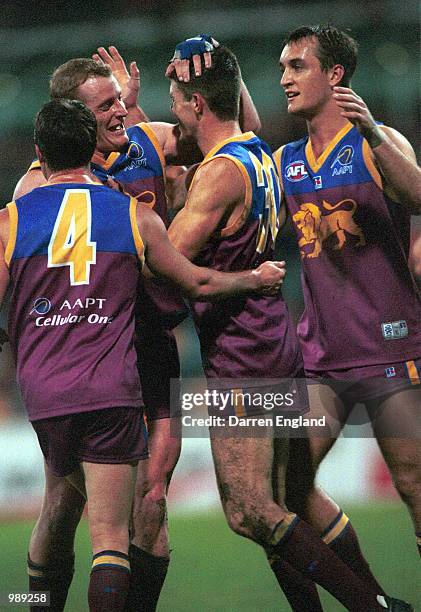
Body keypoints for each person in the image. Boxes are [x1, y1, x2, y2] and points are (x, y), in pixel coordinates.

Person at [0, 97, 286, 611]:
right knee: (110, 538)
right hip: (112, 389)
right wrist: (255, 279)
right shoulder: (134, 215)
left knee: (55, 514)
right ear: (92, 149)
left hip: (45, 395)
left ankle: (25, 602)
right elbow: (195, 280)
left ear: (38, 153)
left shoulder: (10, 221)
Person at [165, 43, 413, 611]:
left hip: (279, 356)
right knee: (291, 495)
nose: (172, 117)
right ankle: (372, 599)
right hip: (294, 348)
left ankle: (373, 606)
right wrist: (222, 63)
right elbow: (239, 118)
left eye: (177, 104)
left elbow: (170, 264)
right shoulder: (265, 154)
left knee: (254, 509)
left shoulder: (227, 173)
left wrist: (127, 229)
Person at [271, 22, 421, 598]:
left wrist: (377, 136)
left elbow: (418, 195)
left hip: (390, 347)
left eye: (297, 66)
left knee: (413, 485)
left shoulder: (374, 142)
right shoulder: (286, 160)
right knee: (284, 490)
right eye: (283, 68)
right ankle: (375, 600)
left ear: (334, 74)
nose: (285, 78)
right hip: (322, 357)